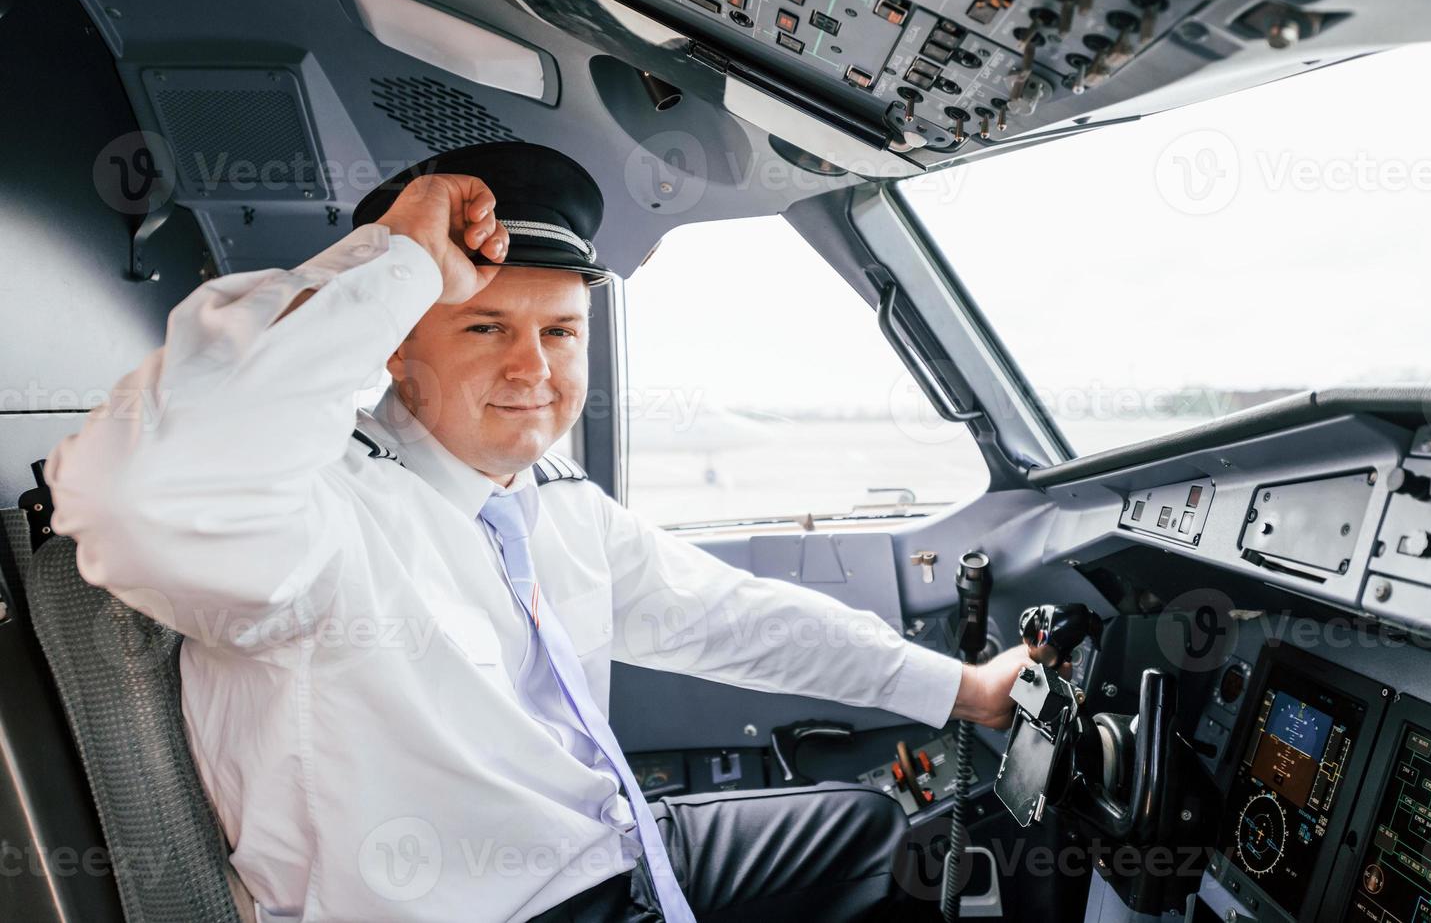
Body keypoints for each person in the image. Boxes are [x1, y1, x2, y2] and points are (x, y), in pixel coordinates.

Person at [46, 141, 1040, 923]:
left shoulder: (543, 497)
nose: (535, 370)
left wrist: (965, 690)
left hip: (603, 853)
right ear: (394, 348)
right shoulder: (317, 514)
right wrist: (389, 260)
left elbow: (727, 615)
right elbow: (132, 494)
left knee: (872, 834)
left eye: (558, 332)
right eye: (484, 328)